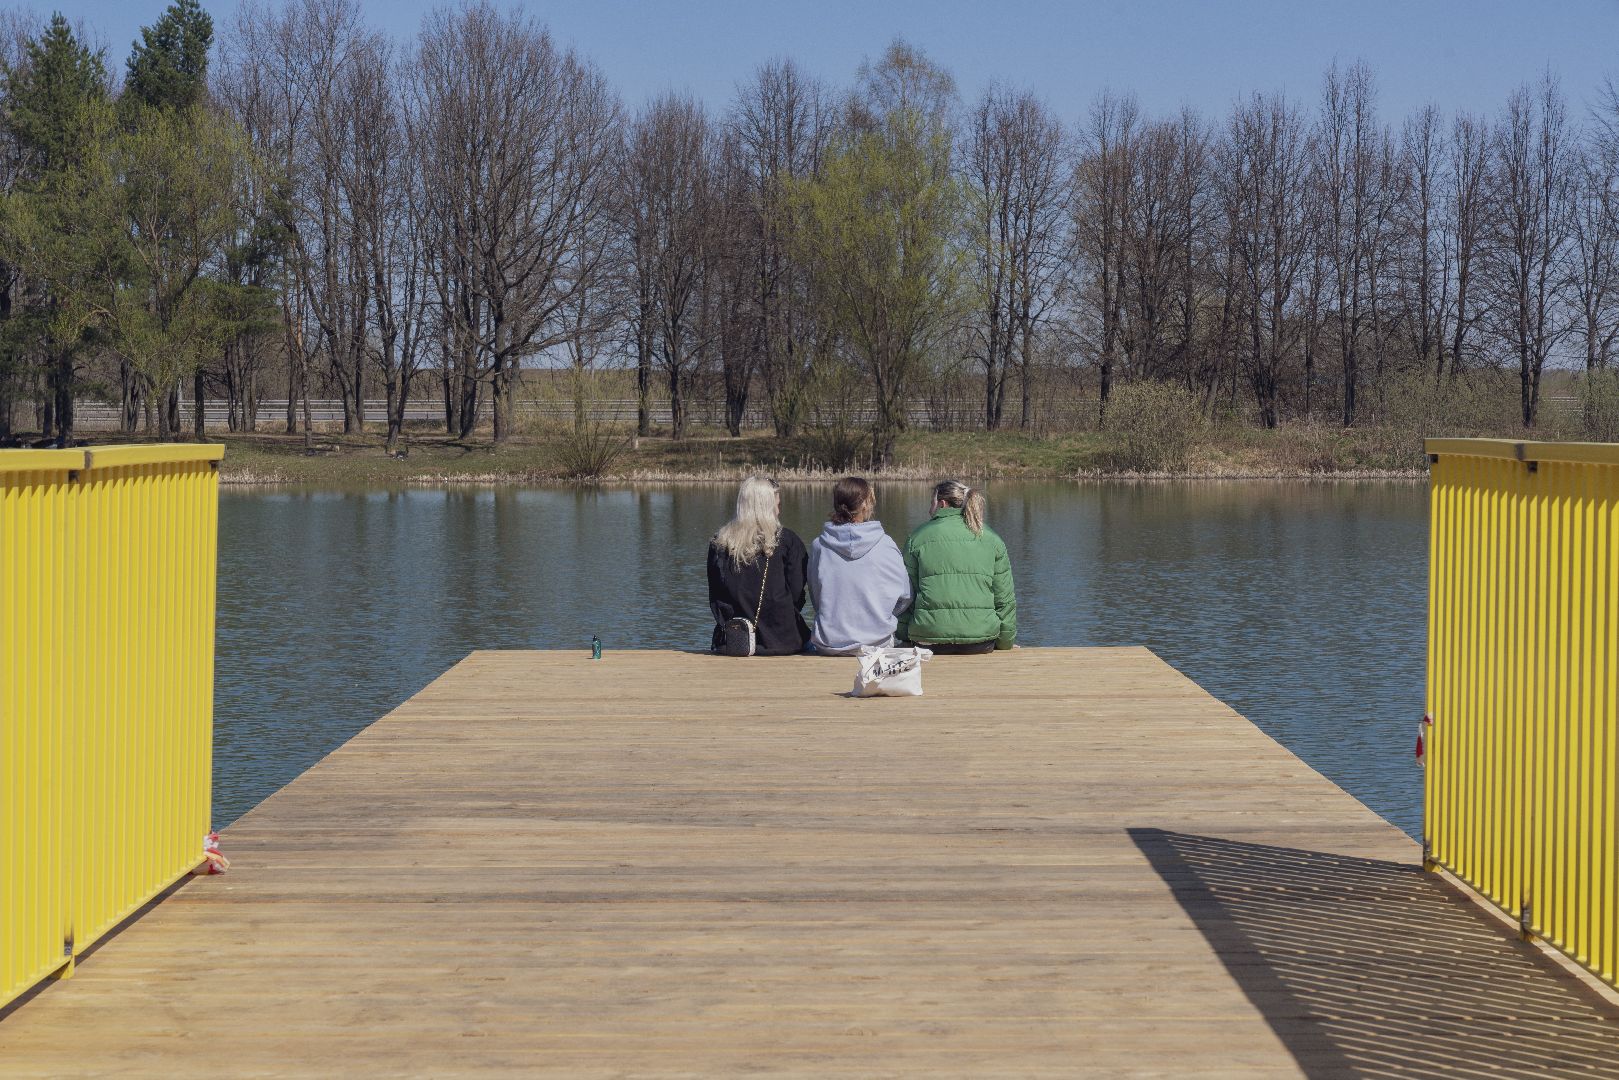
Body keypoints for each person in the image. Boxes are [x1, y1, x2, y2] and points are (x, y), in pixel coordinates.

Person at [896, 480, 1017, 654]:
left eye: (932, 503)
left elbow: (906, 595)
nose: (929, 510)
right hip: (981, 640)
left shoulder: (917, 538)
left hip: (927, 641)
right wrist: (1005, 643)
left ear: (942, 504)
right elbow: (1004, 599)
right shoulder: (991, 538)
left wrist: (904, 635)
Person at [808, 477, 912, 656]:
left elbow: (817, 597)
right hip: (877, 644)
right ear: (865, 504)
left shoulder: (819, 546)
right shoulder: (886, 544)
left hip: (829, 644)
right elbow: (905, 595)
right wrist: (881, 615)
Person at [707, 476, 810, 656]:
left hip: (733, 641)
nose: (778, 511)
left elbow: (716, 595)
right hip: (782, 641)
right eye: (777, 505)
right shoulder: (787, 541)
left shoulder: (719, 543)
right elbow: (796, 593)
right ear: (767, 507)